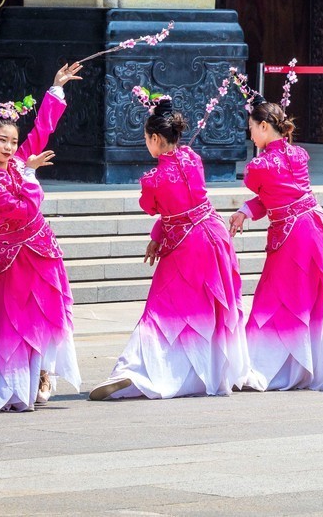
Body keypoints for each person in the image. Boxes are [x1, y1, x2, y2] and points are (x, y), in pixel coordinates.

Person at [89, 92, 249, 399]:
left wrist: (158, 234)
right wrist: (158, 235)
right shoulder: (192, 159)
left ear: (153, 138)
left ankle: (134, 370)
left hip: (187, 245)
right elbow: (181, 208)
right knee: (209, 309)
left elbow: (157, 208)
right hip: (215, 236)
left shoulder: (154, 179)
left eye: (145, 138)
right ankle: (210, 372)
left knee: (160, 309)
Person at [0, 63, 84, 412]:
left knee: (46, 314)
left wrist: (56, 88)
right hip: (13, 259)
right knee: (14, 319)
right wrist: (30, 174)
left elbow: (42, 129)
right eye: (1, 140)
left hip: (43, 252)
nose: (9, 147)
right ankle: (16, 382)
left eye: (13, 142)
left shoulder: (19, 162)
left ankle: (44, 372)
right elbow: (23, 210)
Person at [229, 98, 323, 391]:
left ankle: (264, 366)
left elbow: (270, 194)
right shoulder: (298, 154)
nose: (250, 134)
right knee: (312, 300)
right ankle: (312, 366)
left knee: (277, 299)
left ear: (264, 126)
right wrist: (245, 211)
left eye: (251, 128)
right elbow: (278, 196)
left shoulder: (258, 166)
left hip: (296, 235)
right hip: (320, 227)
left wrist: (245, 210)